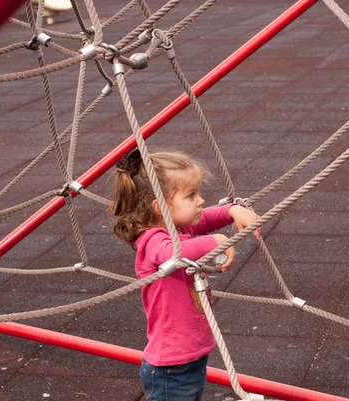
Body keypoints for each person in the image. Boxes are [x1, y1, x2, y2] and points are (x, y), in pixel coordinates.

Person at [111, 149, 261, 401]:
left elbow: (204, 219)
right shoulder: (153, 240)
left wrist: (231, 211)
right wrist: (216, 241)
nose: (201, 200)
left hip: (190, 355)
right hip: (171, 367)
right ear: (160, 207)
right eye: (191, 195)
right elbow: (173, 253)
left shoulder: (178, 226)